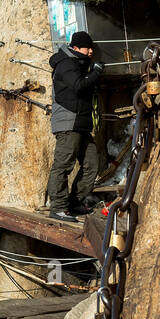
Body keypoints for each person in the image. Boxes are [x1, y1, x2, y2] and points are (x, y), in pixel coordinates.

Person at [46, 30, 104, 221]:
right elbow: (78, 85)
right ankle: (58, 207)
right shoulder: (66, 65)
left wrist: (92, 73)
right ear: (77, 47)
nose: (91, 52)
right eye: (88, 49)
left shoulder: (77, 64)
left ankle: (73, 203)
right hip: (68, 123)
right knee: (63, 166)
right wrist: (96, 73)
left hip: (80, 123)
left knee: (91, 165)